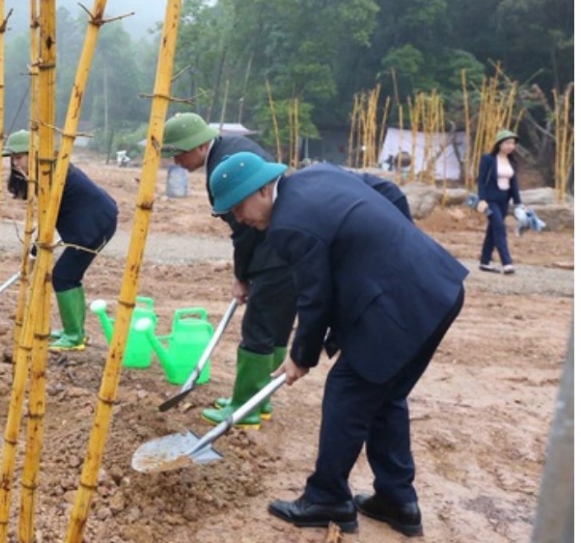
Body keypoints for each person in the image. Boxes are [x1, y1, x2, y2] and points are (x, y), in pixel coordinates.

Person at [209, 152, 467, 536]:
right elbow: (386, 190)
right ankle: (397, 500)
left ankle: (327, 497)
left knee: (347, 391)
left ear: (263, 190)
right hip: (436, 287)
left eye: (238, 207)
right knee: (385, 395)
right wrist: (398, 246)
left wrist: (301, 356)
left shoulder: (288, 225)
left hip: (399, 305)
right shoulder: (319, 175)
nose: (238, 219)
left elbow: (316, 296)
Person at [160, 112, 296, 428]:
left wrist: (241, 277)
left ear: (196, 146)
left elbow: (245, 230)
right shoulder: (231, 148)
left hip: (273, 255)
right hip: (286, 248)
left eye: (178, 152)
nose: (176, 160)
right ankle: (258, 399)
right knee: (275, 326)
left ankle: (244, 407)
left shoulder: (223, 169)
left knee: (258, 328)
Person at [2, 129, 117, 350]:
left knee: (63, 276)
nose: (15, 164)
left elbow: (48, 220)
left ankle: (74, 336)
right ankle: (76, 333)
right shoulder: (46, 171)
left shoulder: (51, 174)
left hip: (95, 224)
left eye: (19, 157)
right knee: (71, 276)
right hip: (94, 222)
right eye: (13, 159)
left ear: (33, 153)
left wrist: (34, 253)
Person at [477, 129, 523, 275]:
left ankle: (485, 261)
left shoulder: (512, 162)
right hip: (490, 199)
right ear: (499, 143)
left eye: (513, 143)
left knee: (493, 230)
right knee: (499, 227)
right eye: (507, 143)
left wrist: (518, 203)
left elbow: (514, 184)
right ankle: (507, 262)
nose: (510, 146)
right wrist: (482, 199)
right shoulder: (488, 159)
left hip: (504, 200)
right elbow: (482, 180)